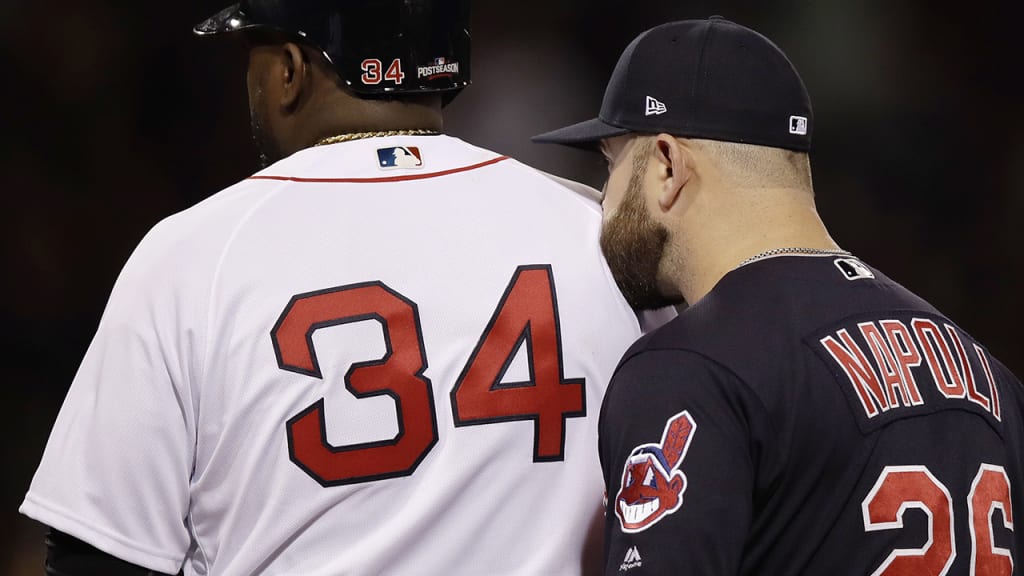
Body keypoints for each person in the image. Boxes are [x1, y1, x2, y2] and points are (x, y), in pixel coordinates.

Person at [19, 1, 669, 574]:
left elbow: (99, 557)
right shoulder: (595, 228)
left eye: (256, 50)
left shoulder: (193, 256)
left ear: (293, 69)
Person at [533, 16, 1024, 575]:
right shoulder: (986, 371)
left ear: (668, 165)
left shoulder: (690, 367)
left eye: (613, 163)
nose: (605, 197)